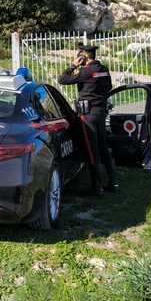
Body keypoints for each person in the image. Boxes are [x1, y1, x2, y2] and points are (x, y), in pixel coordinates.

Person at [58, 44, 118, 194]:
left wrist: (73, 65)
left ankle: (97, 187)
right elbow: (108, 87)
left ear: (83, 57)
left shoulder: (86, 71)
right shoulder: (103, 70)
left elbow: (62, 79)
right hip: (100, 112)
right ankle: (113, 183)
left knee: (92, 150)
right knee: (103, 147)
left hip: (88, 116)